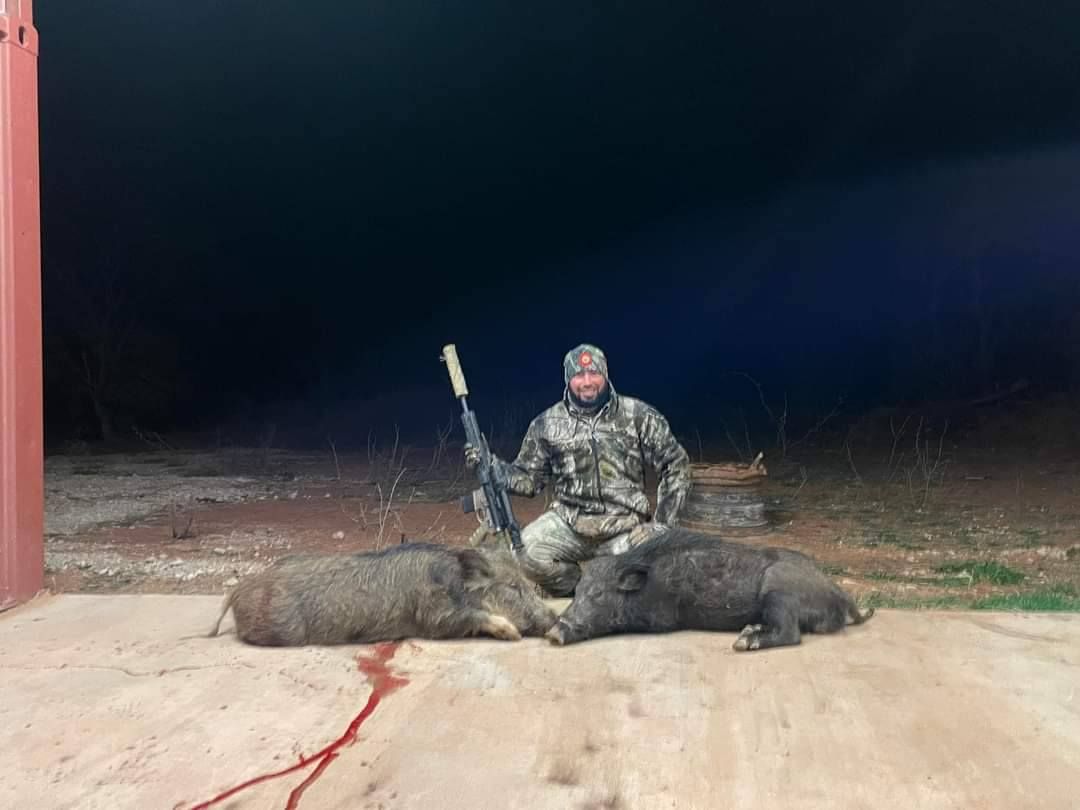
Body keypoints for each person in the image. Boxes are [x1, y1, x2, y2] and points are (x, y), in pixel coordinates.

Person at [466, 343, 691, 597]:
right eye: (579, 375)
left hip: (625, 527)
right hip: (569, 525)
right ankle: (574, 587)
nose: (587, 382)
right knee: (524, 553)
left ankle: (606, 583)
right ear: (568, 379)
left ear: (605, 375)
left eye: (594, 374)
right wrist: (493, 466)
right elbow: (529, 479)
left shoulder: (638, 415)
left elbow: (676, 465)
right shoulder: (547, 423)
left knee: (657, 561)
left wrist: (661, 525)